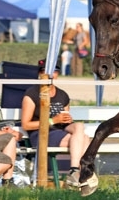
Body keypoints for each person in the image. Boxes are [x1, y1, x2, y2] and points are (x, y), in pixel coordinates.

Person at [20, 59, 90, 187]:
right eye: (44, 71)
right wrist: (53, 120)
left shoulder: (62, 95)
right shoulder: (31, 94)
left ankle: (75, 172)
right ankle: (79, 174)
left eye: (53, 71)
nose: (48, 74)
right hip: (40, 134)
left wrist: (67, 120)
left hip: (60, 132)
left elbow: (64, 120)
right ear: (39, 74)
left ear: (57, 73)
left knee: (80, 130)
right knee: (83, 140)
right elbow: (26, 125)